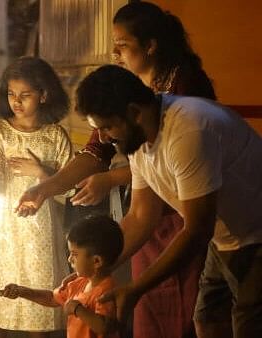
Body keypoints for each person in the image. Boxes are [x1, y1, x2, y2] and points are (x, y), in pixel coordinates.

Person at [17, 3, 216, 337]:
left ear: (150, 45)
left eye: (122, 45)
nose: (114, 53)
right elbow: (99, 155)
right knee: (148, 308)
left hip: (190, 214)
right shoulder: (126, 99)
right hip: (149, 212)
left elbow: (181, 189)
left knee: (186, 311)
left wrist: (110, 178)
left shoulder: (181, 102)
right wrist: (45, 188)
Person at [76, 65, 262, 338]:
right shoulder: (138, 139)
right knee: (208, 320)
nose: (103, 138)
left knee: (248, 326)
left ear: (133, 112)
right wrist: (94, 270)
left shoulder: (188, 130)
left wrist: (136, 288)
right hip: (227, 236)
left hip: (256, 234)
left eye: (107, 127)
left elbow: (198, 229)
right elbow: (141, 216)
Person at [0, 56, 73, 338]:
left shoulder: (54, 135)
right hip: (4, 226)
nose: (17, 101)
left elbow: (71, 183)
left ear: (43, 95)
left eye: (25, 95)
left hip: (39, 230)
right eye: (12, 94)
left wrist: (41, 171)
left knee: (36, 303)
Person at [1, 215, 122, 338]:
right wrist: (22, 291)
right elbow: (51, 298)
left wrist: (78, 309)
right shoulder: (78, 283)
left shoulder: (108, 291)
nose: (70, 259)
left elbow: (105, 327)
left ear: (96, 261)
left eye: (74, 254)